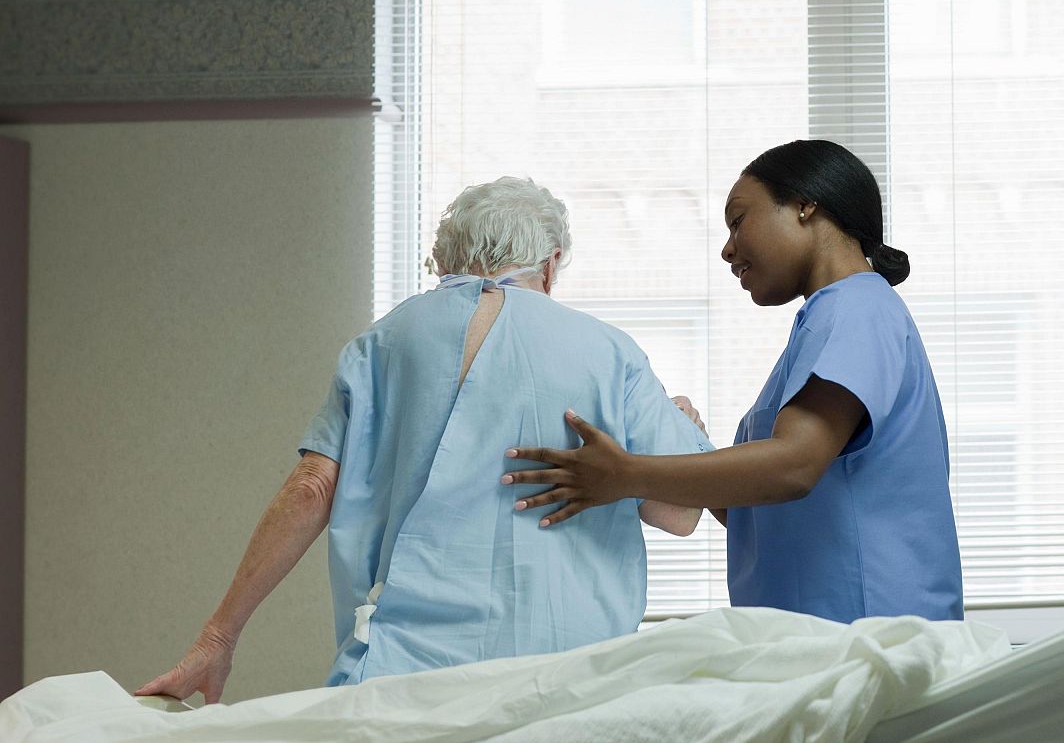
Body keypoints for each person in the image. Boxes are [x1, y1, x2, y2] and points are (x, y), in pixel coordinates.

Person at [137, 177, 710, 703]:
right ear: (552, 262)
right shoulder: (607, 352)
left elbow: (313, 488)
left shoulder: (383, 343)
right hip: (569, 675)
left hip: (406, 674)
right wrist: (690, 430)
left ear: (445, 260)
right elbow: (681, 515)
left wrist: (217, 638)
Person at [503, 140, 963, 623]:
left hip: (870, 633)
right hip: (822, 634)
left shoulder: (858, 308)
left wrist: (625, 474)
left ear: (807, 205)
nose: (727, 250)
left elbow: (794, 466)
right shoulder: (826, 324)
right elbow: (755, 507)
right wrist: (680, 442)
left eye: (738, 221)